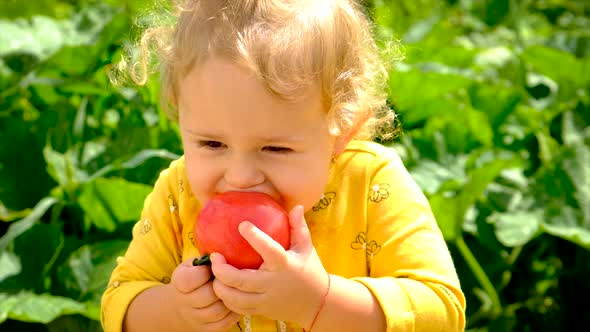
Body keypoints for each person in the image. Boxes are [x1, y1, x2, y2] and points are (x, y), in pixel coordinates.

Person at [101, 0, 466, 331]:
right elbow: (119, 301)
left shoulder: (370, 183)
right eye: (212, 144)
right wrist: (175, 311)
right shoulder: (177, 195)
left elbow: (442, 311)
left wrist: (320, 301)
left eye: (275, 149)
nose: (241, 177)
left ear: (341, 131)